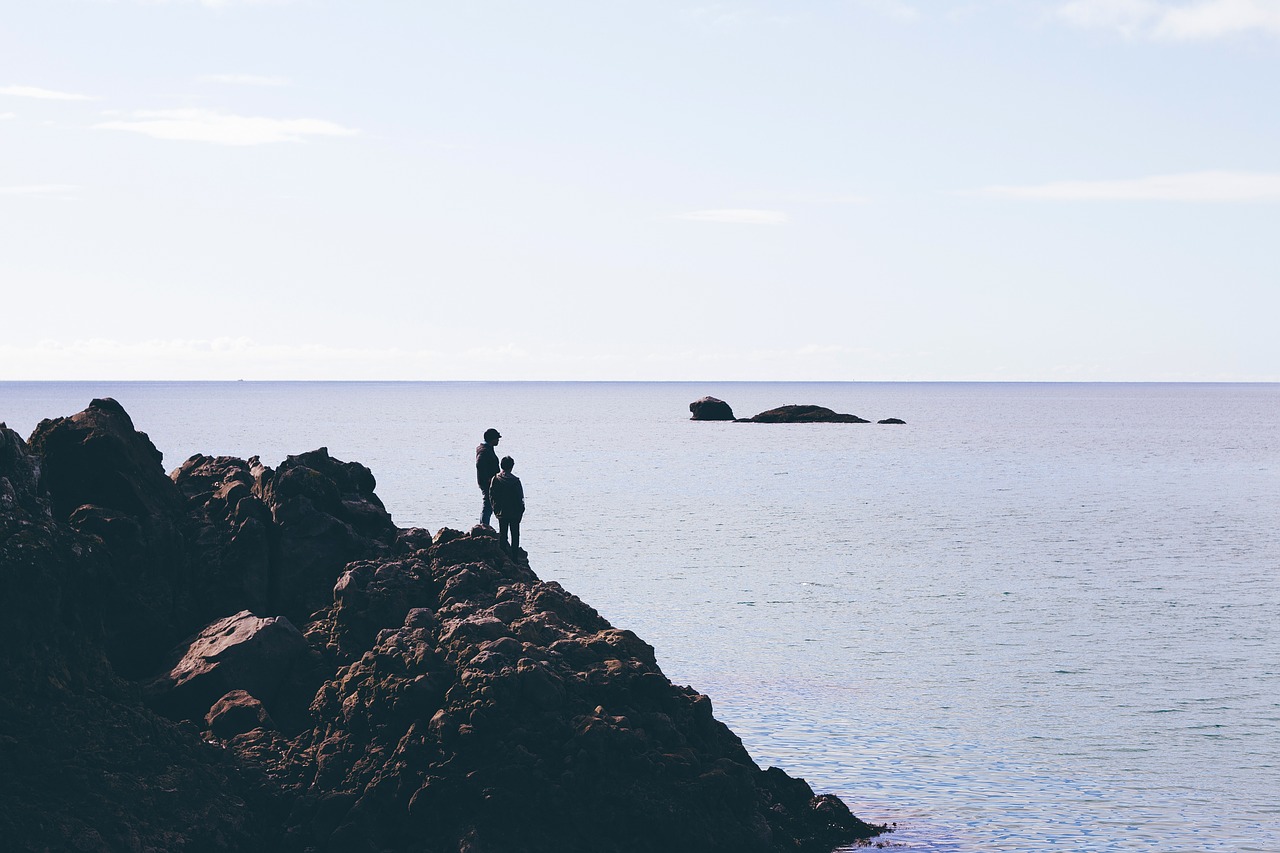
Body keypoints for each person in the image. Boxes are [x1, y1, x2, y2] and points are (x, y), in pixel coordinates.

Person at [487, 455, 525, 553]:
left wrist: (495, 509)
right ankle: (515, 557)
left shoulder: (495, 479)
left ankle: (503, 557)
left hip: (501, 511)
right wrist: (521, 511)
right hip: (515, 512)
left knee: (503, 534)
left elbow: (491, 495)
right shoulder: (516, 481)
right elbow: (520, 498)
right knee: (515, 535)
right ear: (512, 467)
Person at [475, 428, 501, 526]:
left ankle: (484, 525)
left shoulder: (487, 449)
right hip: (487, 483)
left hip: (490, 482)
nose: (498, 440)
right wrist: (487, 479)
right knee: (487, 506)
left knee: (489, 506)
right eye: (496, 438)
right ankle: (483, 526)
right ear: (492, 439)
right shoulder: (484, 451)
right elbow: (479, 464)